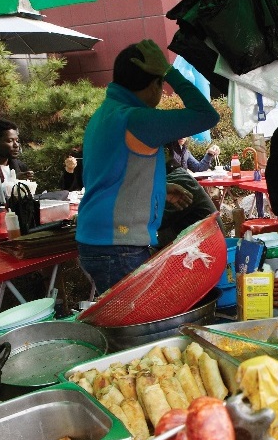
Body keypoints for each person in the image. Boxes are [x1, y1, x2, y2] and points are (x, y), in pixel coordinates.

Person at [75, 40, 219, 293]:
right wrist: (170, 70)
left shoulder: (106, 114)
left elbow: (111, 176)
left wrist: (159, 188)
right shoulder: (136, 118)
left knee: (127, 324)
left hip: (100, 240)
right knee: (137, 329)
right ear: (155, 84)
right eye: (162, 84)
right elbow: (207, 115)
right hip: (118, 245)